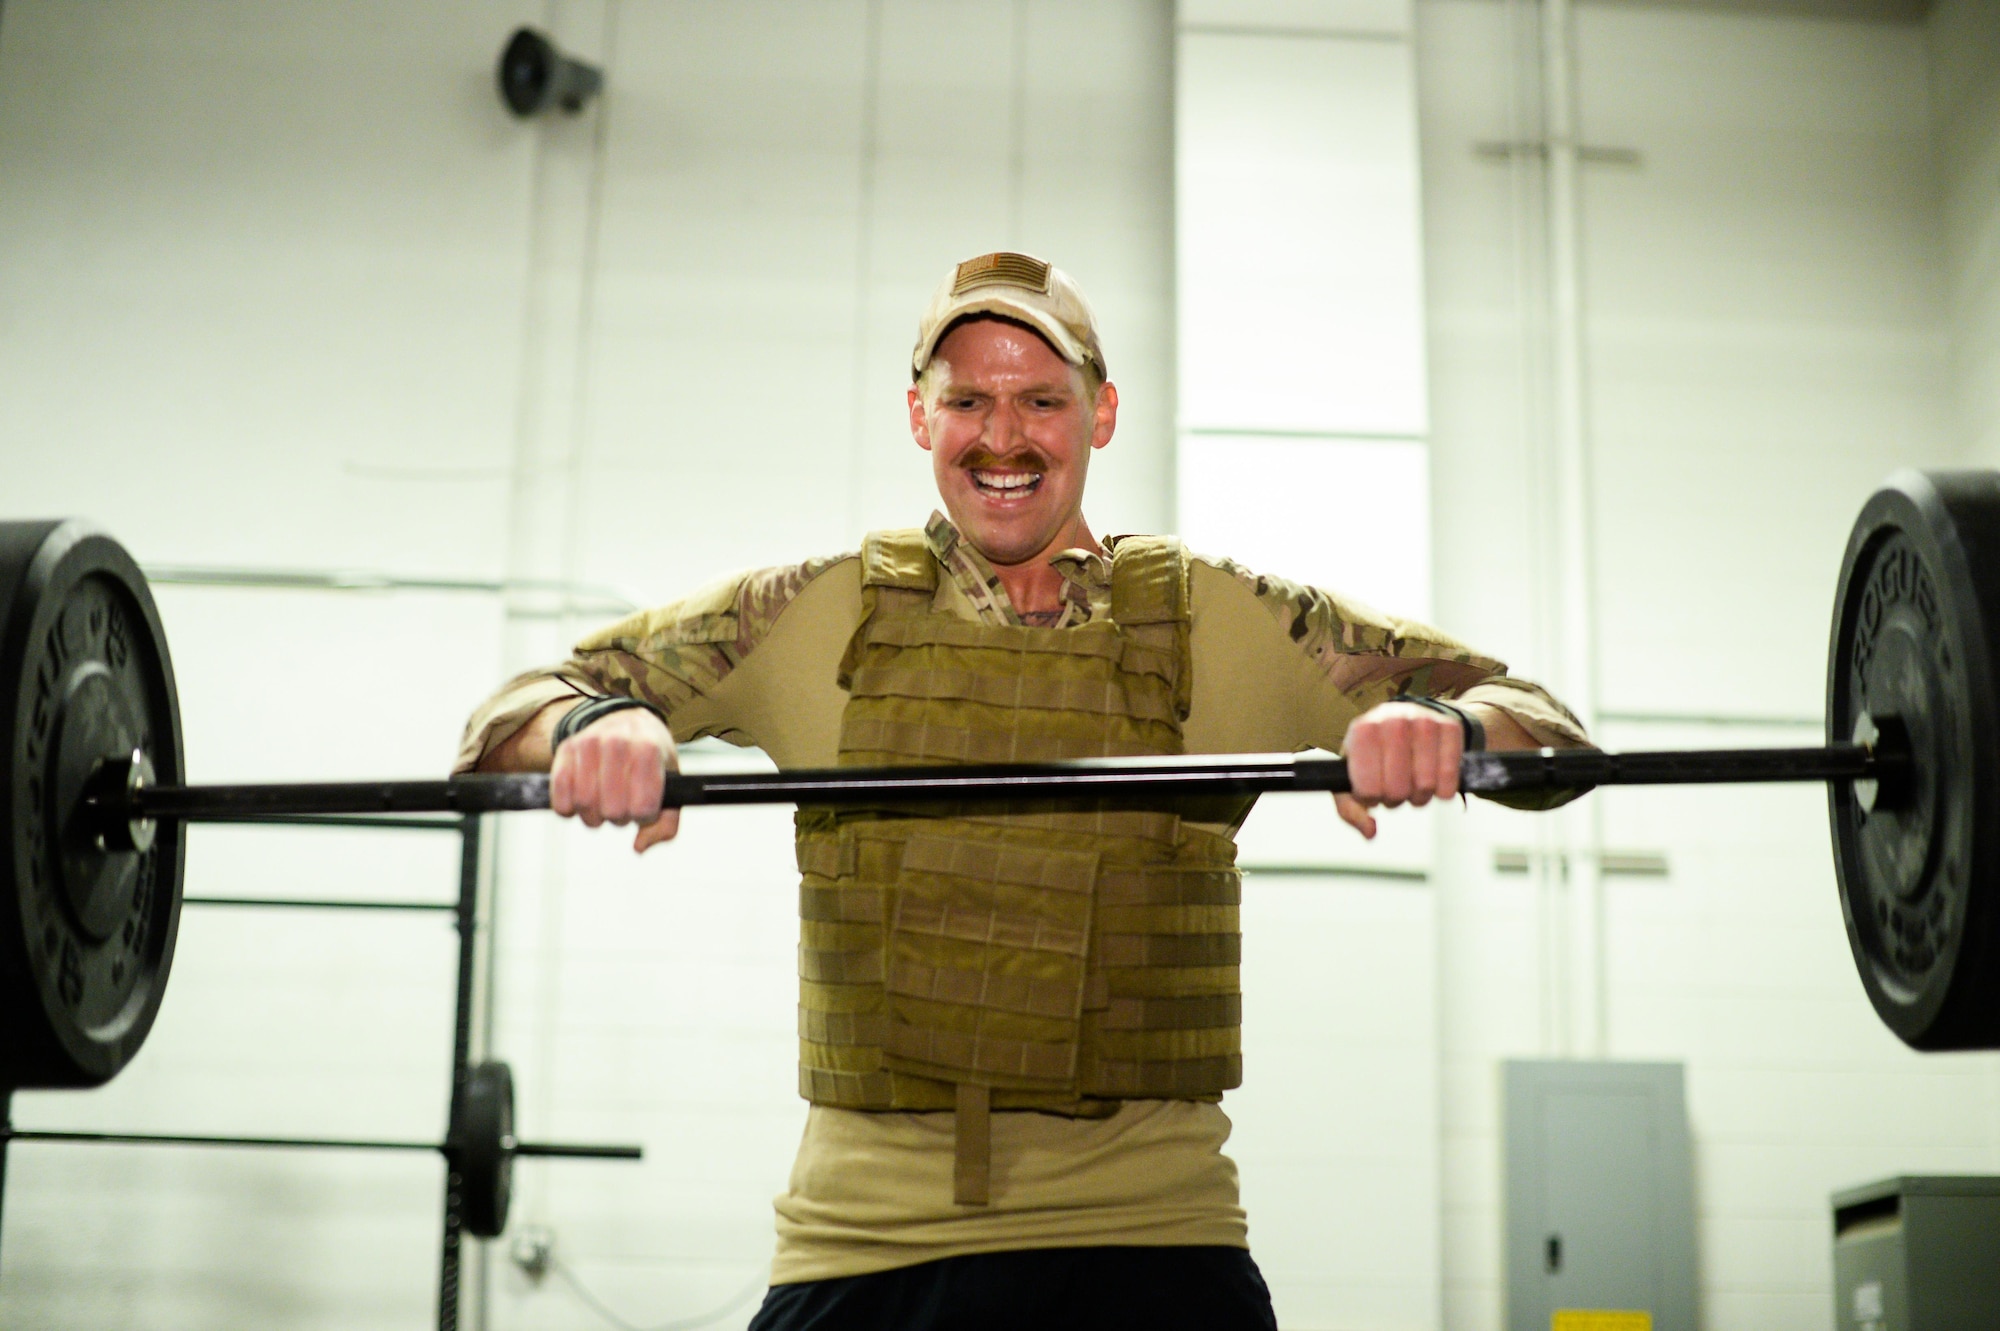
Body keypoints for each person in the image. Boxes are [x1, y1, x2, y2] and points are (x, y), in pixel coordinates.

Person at [457, 251, 1589, 1330]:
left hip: (1153, 1241)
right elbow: (506, 714)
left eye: (1041, 401)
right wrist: (600, 725)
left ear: (1100, 413)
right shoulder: (815, 608)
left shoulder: (1218, 613)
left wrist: (1439, 726)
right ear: (919, 418)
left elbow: (1548, 734)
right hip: (865, 1247)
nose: (1002, 437)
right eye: (966, 402)